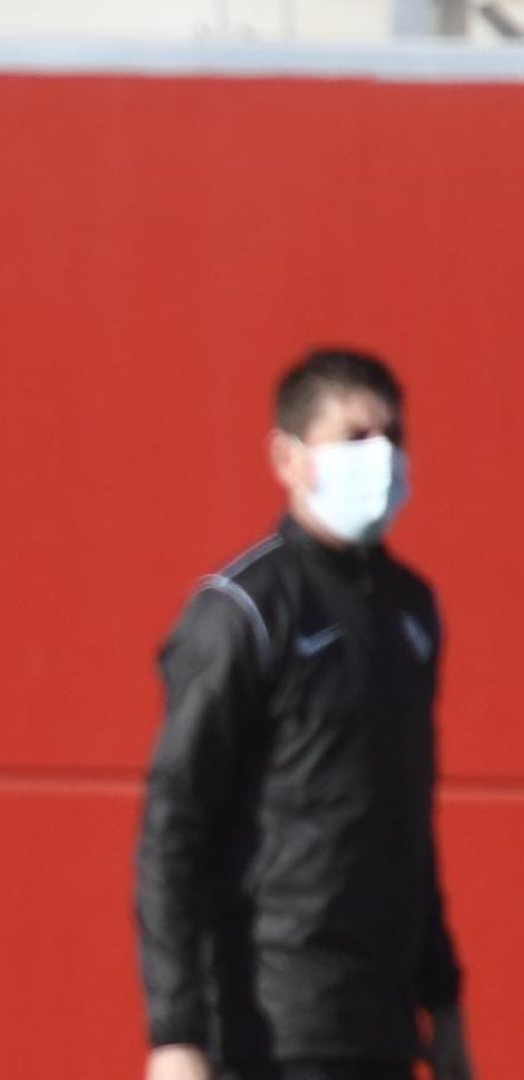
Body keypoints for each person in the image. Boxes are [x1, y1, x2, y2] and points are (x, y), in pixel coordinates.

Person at [136, 349, 473, 1080]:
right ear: (288, 457)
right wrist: (175, 1033)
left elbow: (407, 823)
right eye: (353, 438)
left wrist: (443, 1004)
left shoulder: (411, 611)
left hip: (384, 1027)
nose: (379, 458)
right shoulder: (244, 611)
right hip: (272, 1026)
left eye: (392, 438)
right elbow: (174, 825)